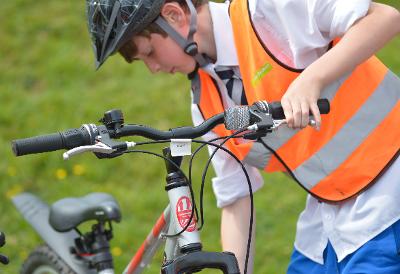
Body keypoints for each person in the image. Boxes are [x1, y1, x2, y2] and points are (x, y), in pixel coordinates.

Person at [85, 0, 400, 273]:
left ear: (174, 15)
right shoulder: (206, 103)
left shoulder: (268, 12)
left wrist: (312, 79)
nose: (153, 68)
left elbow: (385, 18)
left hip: (389, 194)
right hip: (329, 214)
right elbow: (236, 200)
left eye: (150, 52)